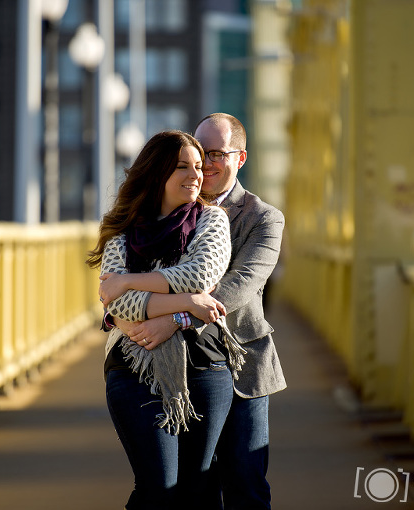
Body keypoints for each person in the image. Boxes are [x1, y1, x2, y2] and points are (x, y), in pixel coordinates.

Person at [113, 113, 286, 509]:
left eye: (216, 154)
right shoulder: (161, 209)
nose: (204, 164)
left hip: (240, 366)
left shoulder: (263, 218)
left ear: (240, 158)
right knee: (192, 488)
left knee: (245, 482)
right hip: (175, 367)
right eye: (197, 152)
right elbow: (115, 280)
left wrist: (173, 318)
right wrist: (121, 315)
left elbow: (235, 288)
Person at [86, 130, 246, 510]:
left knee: (194, 490)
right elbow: (119, 308)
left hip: (206, 365)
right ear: (157, 173)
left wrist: (129, 281)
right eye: (182, 167)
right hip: (134, 366)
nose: (196, 175)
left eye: (197, 166)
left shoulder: (212, 220)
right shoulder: (122, 231)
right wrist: (190, 302)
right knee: (157, 488)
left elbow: (199, 275)